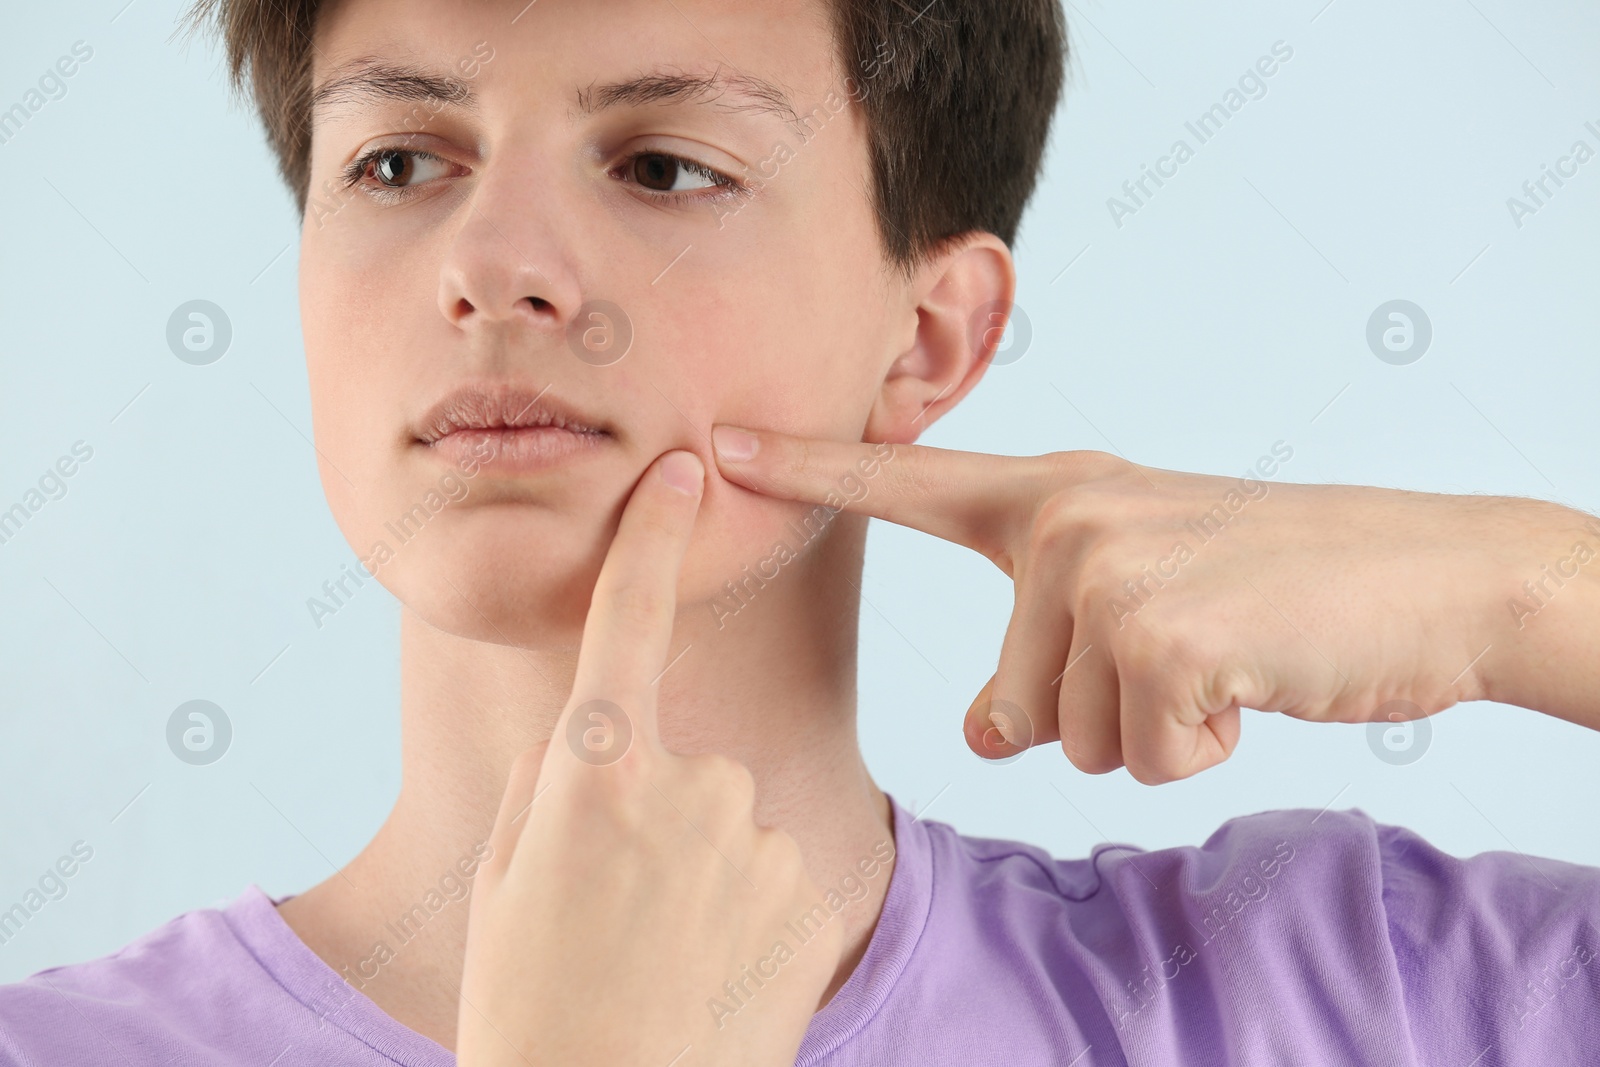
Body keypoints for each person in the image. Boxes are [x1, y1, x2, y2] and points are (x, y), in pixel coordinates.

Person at [2, 0, 1598, 1063]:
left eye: (663, 164)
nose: (489, 265)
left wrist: (1528, 592)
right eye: (401, 159)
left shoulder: (1338, 997)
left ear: (930, 341)